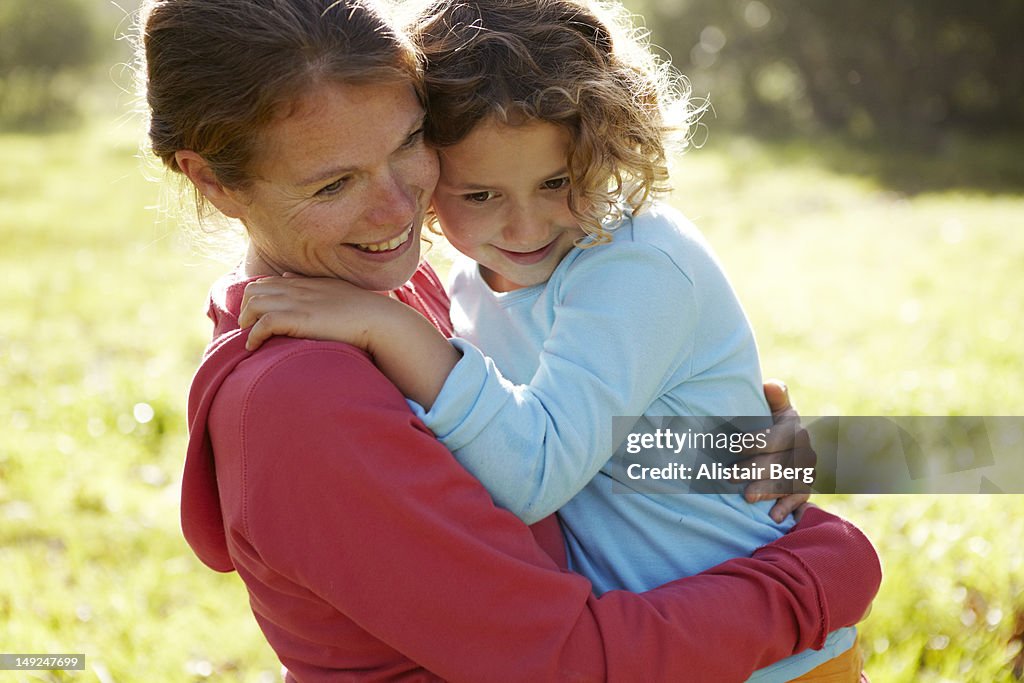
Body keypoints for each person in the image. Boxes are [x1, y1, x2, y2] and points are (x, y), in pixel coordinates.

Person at [142, 0, 880, 680]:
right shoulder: (310, 390)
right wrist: (823, 564)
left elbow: (562, 439)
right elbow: (564, 656)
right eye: (333, 184)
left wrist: (720, 446)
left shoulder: (408, 289)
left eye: (406, 145)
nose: (398, 208)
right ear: (213, 181)